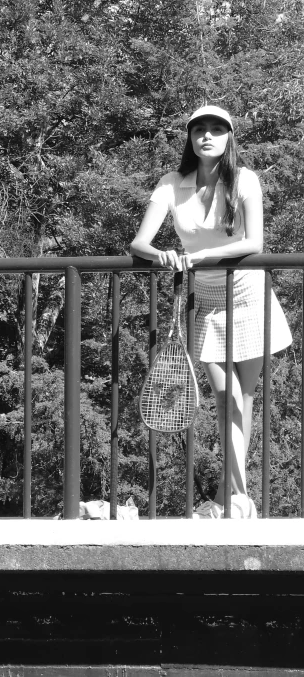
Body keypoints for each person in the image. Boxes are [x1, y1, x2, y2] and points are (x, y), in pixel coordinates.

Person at [130, 105, 292, 519]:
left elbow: (253, 243)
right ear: (189, 137)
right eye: (199, 129)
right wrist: (163, 255)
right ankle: (237, 500)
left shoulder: (244, 179)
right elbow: (139, 244)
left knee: (244, 400)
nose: (207, 135)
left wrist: (196, 256)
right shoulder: (171, 184)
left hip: (249, 297)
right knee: (226, 397)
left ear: (229, 137)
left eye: (217, 129)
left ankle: (231, 499)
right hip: (208, 303)